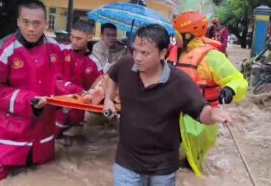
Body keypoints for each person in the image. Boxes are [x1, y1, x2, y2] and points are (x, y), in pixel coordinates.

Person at [104, 24, 232, 185]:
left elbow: (201, 112)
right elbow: (112, 76)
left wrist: (213, 114)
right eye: (135, 50)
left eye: (145, 53)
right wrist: (108, 99)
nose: (137, 57)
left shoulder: (179, 82)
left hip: (162, 169)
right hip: (127, 163)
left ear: (163, 53)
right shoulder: (125, 65)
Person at [0, 0, 81, 182]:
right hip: (5, 129)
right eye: (26, 22)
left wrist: (80, 95)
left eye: (37, 23)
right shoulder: (2, 50)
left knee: (46, 172)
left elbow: (58, 81)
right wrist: (30, 101)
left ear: (45, 23)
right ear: (18, 22)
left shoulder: (55, 48)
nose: (31, 29)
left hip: (40, 129)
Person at [170, 11, 248, 174]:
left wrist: (230, 90)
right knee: (170, 158)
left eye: (177, 34)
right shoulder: (175, 52)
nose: (174, 37)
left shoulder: (212, 57)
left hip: (200, 117)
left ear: (188, 35)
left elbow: (238, 80)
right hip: (175, 113)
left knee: (192, 163)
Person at [55, 20, 103, 138]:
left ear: (90, 37)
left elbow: (100, 83)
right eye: (72, 36)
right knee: (53, 135)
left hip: (78, 108)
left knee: (73, 140)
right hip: (58, 102)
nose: (74, 41)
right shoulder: (61, 50)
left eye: (79, 38)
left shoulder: (94, 62)